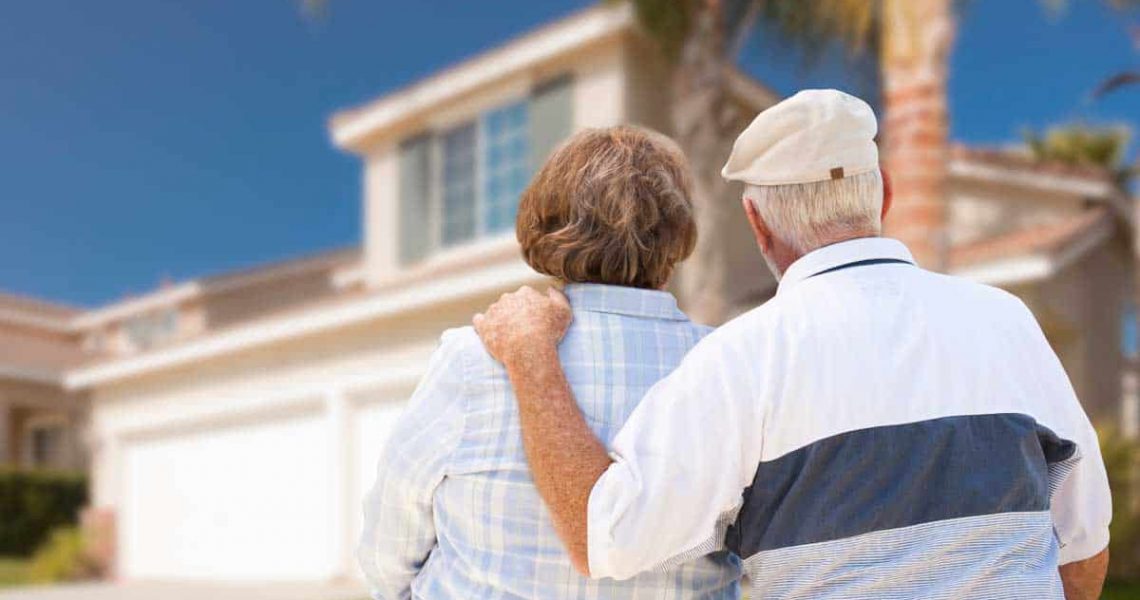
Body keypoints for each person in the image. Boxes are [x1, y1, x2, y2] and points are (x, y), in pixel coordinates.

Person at [472, 89, 1113, 600]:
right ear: (883, 192)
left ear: (757, 224)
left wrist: (530, 354)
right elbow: (1082, 549)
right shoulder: (1004, 321)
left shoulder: (743, 358)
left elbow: (603, 538)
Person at [357, 126, 742, 599]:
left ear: (548, 223)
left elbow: (391, 539)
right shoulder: (728, 368)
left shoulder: (473, 360)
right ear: (677, 235)